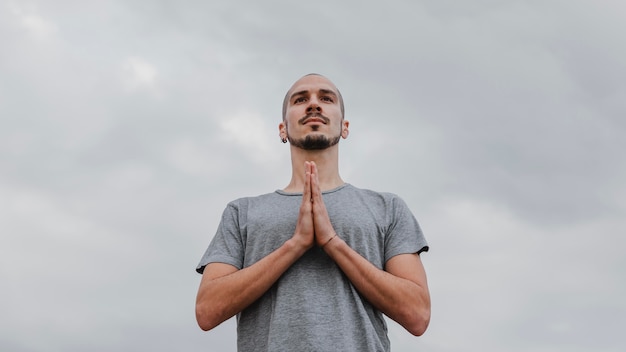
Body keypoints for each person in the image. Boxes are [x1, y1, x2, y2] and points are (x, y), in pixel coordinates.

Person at [195, 73, 431, 352]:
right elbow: (207, 310)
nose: (314, 104)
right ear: (282, 130)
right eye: (301, 99)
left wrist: (332, 242)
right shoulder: (242, 212)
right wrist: (295, 245)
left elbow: (418, 315)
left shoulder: (387, 207)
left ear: (345, 127)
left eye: (326, 98)